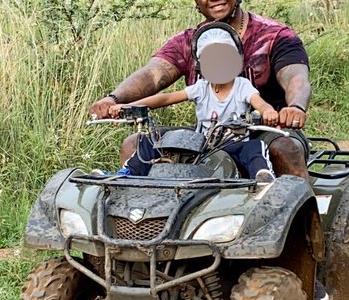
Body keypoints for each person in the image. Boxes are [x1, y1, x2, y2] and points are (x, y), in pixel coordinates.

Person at [87, 0, 313, 178]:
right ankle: (134, 197)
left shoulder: (275, 35)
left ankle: (300, 201)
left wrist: (294, 107)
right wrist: (114, 100)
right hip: (209, 135)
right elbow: (154, 74)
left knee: (284, 148)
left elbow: (295, 77)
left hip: (265, 131)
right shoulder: (190, 42)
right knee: (134, 143)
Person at [108, 22, 279, 182]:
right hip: (201, 145)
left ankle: (262, 176)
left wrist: (268, 111)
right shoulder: (201, 87)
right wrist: (131, 106)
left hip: (233, 144)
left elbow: (259, 103)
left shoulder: (242, 86)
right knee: (151, 139)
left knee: (254, 146)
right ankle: (127, 173)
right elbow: (167, 98)